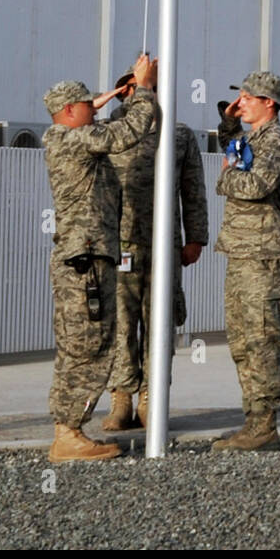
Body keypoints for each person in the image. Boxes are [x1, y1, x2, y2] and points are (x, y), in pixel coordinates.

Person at [40, 55, 157, 462]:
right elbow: (129, 131)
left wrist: (109, 95)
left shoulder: (68, 135)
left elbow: (100, 122)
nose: (97, 110)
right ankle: (69, 433)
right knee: (87, 345)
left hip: (88, 259)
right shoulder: (69, 139)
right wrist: (142, 88)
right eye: (88, 106)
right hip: (85, 263)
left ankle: (68, 429)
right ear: (69, 112)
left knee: (80, 344)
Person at [101, 67, 209, 431]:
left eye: (147, 88)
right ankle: (121, 397)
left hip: (163, 245)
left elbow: (193, 190)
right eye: (132, 89)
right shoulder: (109, 133)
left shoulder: (178, 134)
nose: (139, 95)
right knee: (120, 322)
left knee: (159, 321)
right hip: (118, 243)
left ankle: (151, 394)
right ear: (121, 93)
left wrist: (196, 237)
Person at [212, 70, 280, 451]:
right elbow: (235, 153)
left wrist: (224, 179)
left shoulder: (277, 141)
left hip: (263, 255)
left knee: (262, 339)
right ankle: (252, 422)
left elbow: (255, 184)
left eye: (248, 97)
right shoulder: (251, 139)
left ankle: (265, 426)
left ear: (269, 104)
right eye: (240, 95)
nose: (241, 101)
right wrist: (229, 125)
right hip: (242, 252)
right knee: (242, 342)